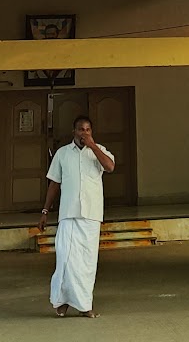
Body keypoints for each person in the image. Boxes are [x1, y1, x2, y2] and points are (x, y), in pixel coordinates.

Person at [41, 114, 115, 318]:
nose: (84, 133)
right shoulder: (63, 154)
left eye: (88, 130)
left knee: (87, 262)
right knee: (65, 259)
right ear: (74, 131)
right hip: (68, 213)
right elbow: (54, 183)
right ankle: (62, 301)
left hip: (91, 214)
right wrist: (45, 211)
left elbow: (110, 167)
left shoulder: (99, 151)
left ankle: (84, 305)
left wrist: (93, 146)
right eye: (81, 129)